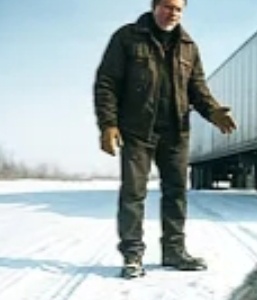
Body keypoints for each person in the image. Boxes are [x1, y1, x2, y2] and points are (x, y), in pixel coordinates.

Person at [94, 0, 236, 279]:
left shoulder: (188, 46)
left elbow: (198, 89)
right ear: (154, 6)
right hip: (137, 131)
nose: (173, 13)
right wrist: (108, 124)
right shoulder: (127, 37)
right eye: (168, 7)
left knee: (176, 193)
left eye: (179, 9)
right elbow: (107, 82)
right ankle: (132, 256)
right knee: (133, 193)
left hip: (176, 132)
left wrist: (213, 111)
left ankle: (174, 251)